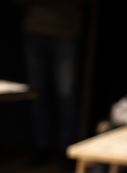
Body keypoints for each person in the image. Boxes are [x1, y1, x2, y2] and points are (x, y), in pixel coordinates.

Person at [17, 0, 89, 164]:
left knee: (66, 93)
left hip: (66, 30)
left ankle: (67, 147)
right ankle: (41, 144)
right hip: (34, 28)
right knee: (37, 94)